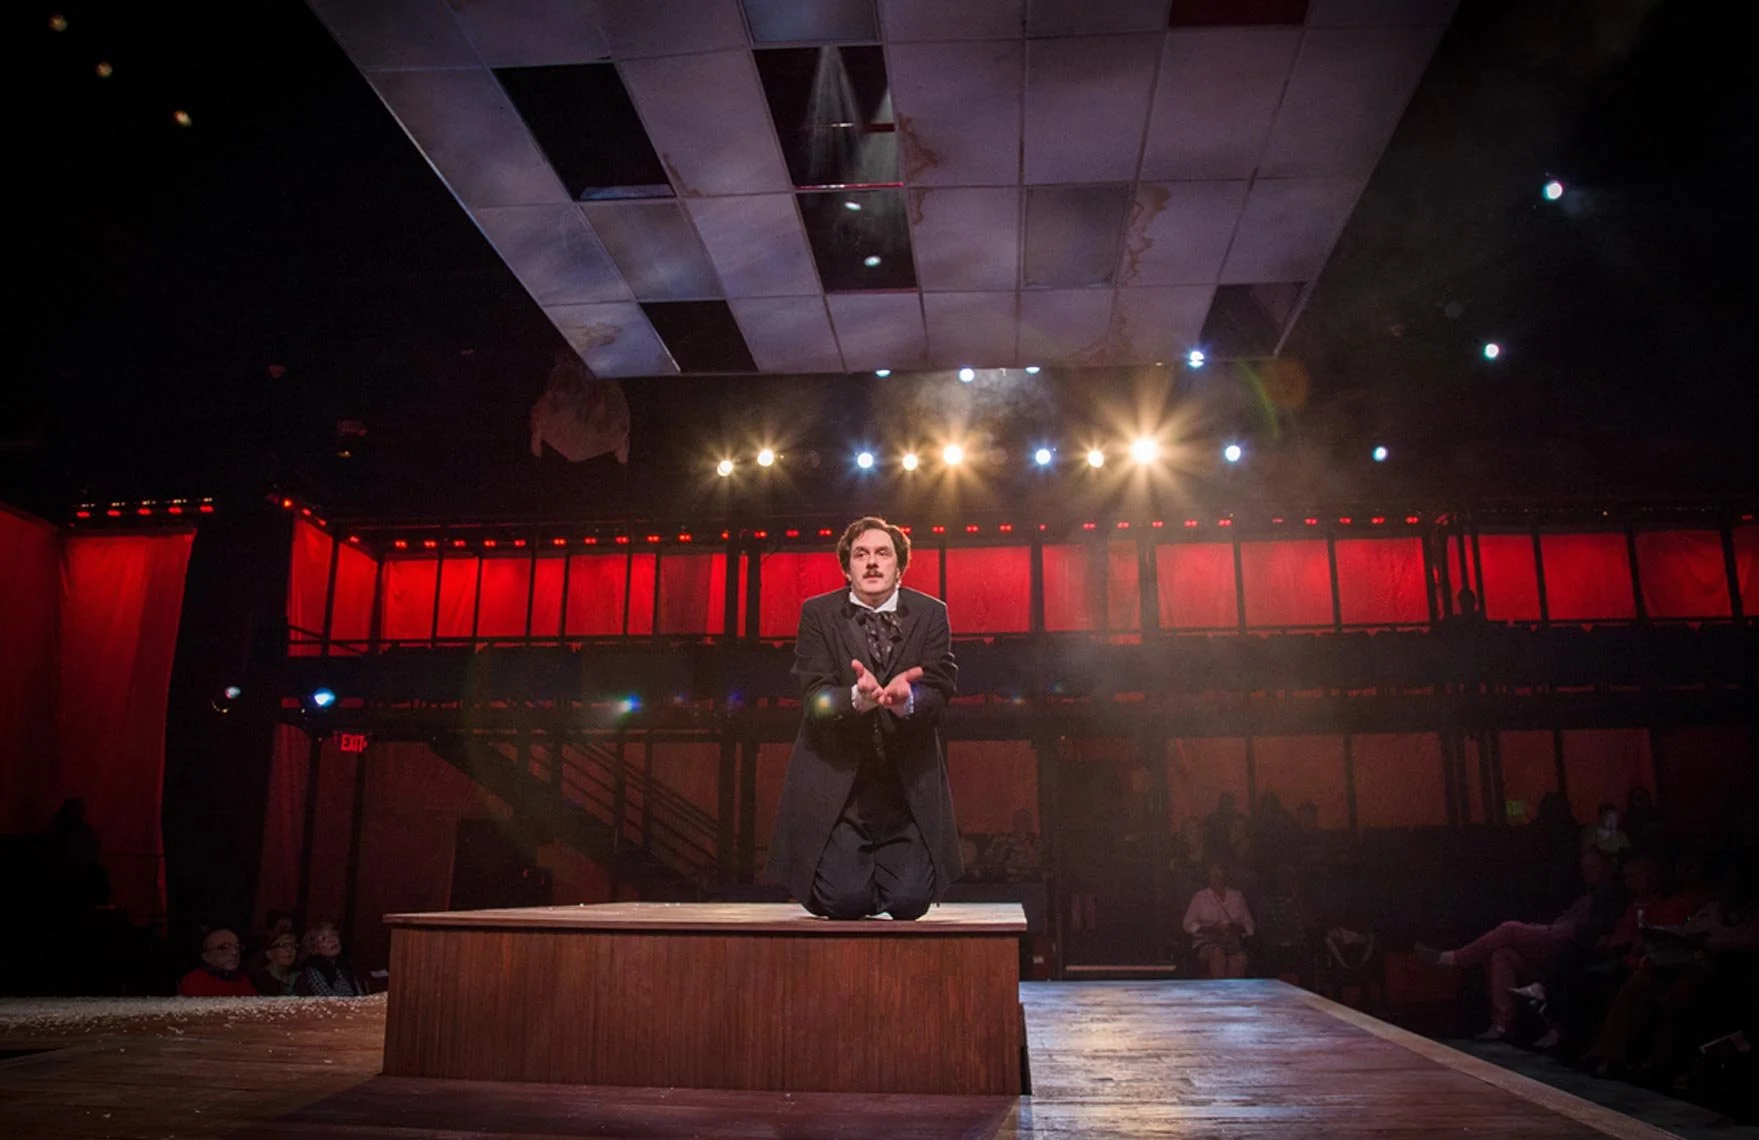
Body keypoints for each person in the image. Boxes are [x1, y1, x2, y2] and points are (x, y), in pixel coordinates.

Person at [765, 517, 961, 921]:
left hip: (904, 789)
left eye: (882, 553)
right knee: (846, 901)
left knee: (909, 903)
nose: (872, 562)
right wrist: (856, 699)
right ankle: (852, 876)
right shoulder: (818, 613)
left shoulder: (931, 613)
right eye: (861, 554)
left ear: (899, 566)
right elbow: (813, 696)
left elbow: (940, 690)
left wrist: (907, 701)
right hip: (840, 788)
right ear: (847, 567)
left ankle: (884, 875)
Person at [1418, 847, 1624, 1040]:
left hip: (1569, 940)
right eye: (1584, 867)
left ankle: (1454, 959)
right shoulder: (1589, 895)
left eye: (1592, 867)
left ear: (1607, 867)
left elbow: (1593, 929)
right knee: (1502, 954)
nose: (1586, 872)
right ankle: (1502, 1024)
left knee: (1509, 929)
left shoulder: (1610, 893)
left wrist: (1550, 930)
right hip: (1557, 936)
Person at [1183, 862, 1254, 978]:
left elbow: (1249, 926)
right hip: (1207, 943)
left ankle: (1231, 989)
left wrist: (1235, 928)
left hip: (1232, 944)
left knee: (1240, 959)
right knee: (1217, 954)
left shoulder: (1237, 897)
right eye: (1213, 872)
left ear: (1226, 874)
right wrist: (1210, 929)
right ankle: (1217, 988)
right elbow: (1187, 924)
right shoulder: (1200, 897)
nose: (1216, 875)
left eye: (1219, 871)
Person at [177, 928, 258, 997]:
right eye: (224, 947)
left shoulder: (243, 979)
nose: (235, 952)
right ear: (206, 956)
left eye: (238, 947)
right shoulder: (194, 981)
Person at [294, 922, 366, 996]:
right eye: (323, 939)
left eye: (333, 935)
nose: (331, 940)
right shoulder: (313, 970)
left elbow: (360, 995)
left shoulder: (345, 965)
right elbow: (329, 999)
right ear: (314, 948)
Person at [250, 931, 301, 996]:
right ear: (269, 954)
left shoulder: (299, 978)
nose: (290, 950)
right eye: (283, 945)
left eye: (293, 946)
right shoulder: (260, 980)